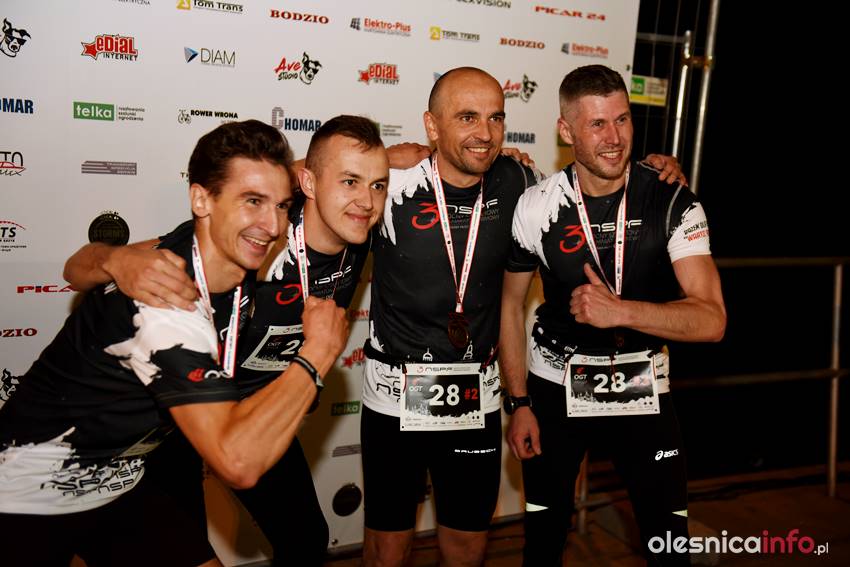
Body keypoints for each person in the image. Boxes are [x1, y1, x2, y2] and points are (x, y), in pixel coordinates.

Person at [360, 66, 688, 567]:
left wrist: (658, 170)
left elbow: (599, 177)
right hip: (392, 396)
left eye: (495, 118)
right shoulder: (389, 183)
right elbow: (308, 180)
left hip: (476, 399)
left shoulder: (519, 181)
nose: (485, 132)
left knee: (468, 549)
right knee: (387, 551)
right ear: (431, 125)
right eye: (467, 117)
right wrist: (376, 158)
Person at [0, 119, 349, 567]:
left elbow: (78, 267)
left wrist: (113, 256)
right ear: (202, 200)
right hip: (27, 490)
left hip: (118, 482)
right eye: (252, 202)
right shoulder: (167, 310)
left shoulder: (198, 246)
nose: (273, 225)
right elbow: (238, 464)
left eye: (281, 206)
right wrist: (317, 353)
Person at [499, 64, 726, 566]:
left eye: (622, 120)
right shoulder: (536, 206)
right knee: (543, 542)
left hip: (642, 384)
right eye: (597, 124)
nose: (614, 138)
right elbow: (510, 305)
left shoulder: (672, 199)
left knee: (669, 543)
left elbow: (712, 320)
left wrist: (619, 311)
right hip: (554, 385)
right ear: (566, 130)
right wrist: (518, 402)